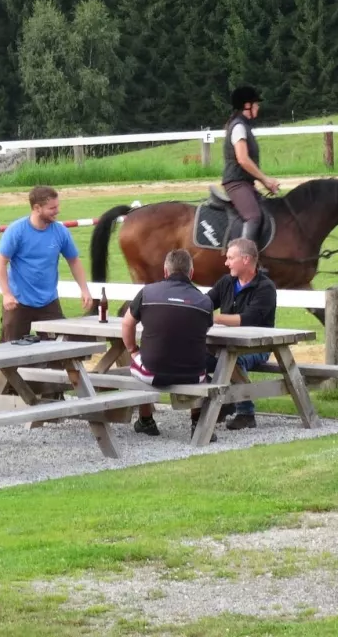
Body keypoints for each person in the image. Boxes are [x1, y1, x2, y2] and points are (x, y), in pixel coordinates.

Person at [122, 248, 215, 436]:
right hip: (193, 374)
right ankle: (196, 422)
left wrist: (133, 349)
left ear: (165, 271)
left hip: (153, 371)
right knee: (202, 368)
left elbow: (127, 323)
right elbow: (201, 331)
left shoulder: (147, 292)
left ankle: (146, 420)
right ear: (191, 273)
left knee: (137, 362)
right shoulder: (205, 301)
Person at [0, 185, 94, 341]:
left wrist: (84, 289)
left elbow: (73, 261)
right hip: (18, 302)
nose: (57, 211)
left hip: (48, 301)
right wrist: (7, 294)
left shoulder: (60, 232)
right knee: (10, 352)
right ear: (37, 208)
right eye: (52, 208)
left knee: (59, 351)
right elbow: (0, 263)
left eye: (57, 206)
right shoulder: (16, 231)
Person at [206, 237, 277, 431]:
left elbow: (248, 319)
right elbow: (206, 302)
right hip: (226, 344)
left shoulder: (265, 288)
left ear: (245, 259)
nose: (226, 262)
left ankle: (246, 413)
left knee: (231, 359)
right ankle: (219, 401)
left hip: (258, 346)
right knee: (198, 357)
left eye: (230, 258)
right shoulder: (226, 282)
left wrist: (216, 318)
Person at [222, 86, 281, 244]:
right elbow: (242, 159)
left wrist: (264, 182)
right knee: (253, 216)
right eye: (256, 103)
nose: (258, 106)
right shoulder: (239, 127)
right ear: (247, 105)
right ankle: (243, 259)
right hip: (236, 183)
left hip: (245, 183)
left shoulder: (244, 126)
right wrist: (266, 179)